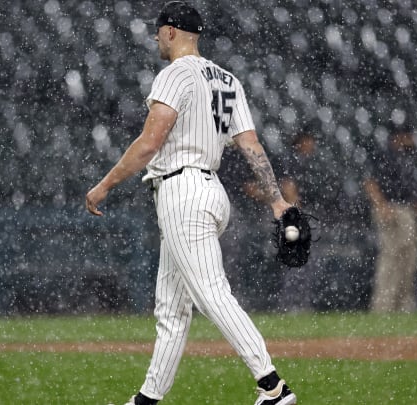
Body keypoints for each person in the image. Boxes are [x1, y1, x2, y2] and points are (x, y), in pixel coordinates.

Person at [85, 2, 297, 404]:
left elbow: (150, 142)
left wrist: (105, 184)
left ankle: (273, 387)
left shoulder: (175, 73)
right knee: (171, 309)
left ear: (169, 32)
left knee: (212, 294)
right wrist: (276, 200)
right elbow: (250, 146)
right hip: (209, 190)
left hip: (182, 191)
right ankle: (147, 398)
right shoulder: (228, 79)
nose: (155, 38)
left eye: (157, 31)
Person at [362, 126, 417, 312]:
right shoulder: (384, 155)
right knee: (390, 257)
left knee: (409, 258)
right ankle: (383, 306)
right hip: (391, 208)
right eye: (409, 136)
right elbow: (369, 182)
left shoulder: (406, 157)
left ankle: (403, 305)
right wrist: (382, 205)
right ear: (400, 136)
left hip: (404, 209)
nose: (412, 140)